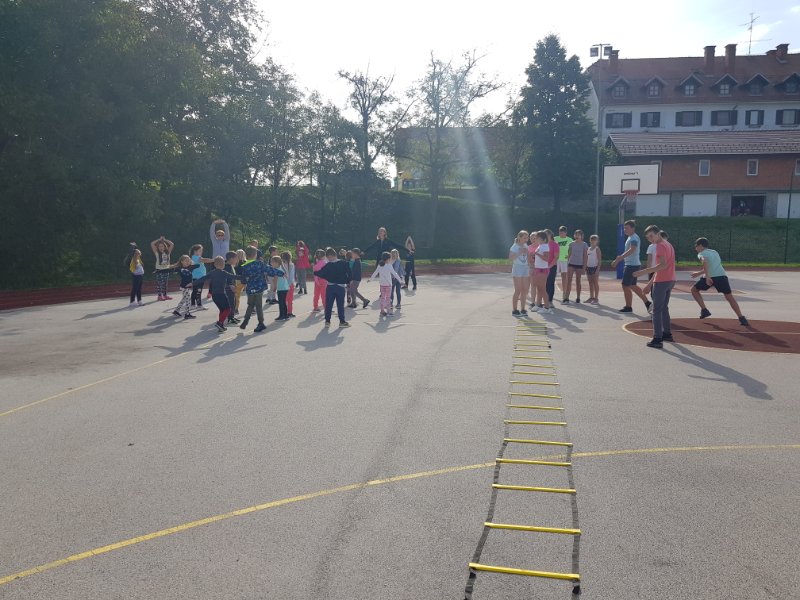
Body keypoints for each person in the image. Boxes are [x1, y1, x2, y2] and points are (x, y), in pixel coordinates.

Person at [690, 238, 749, 326]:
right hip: (721, 276)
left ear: (701, 246)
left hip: (710, 277)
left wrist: (707, 277)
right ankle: (741, 318)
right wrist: (699, 273)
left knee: (694, 290)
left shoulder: (701, 253)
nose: (695, 248)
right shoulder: (714, 252)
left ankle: (704, 310)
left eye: (696, 246)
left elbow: (705, 262)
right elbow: (711, 266)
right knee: (729, 297)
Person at [633, 225, 675, 348]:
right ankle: (667, 334)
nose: (650, 239)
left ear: (658, 234)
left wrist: (643, 272)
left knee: (656, 310)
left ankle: (657, 339)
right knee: (664, 308)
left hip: (662, 281)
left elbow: (662, 265)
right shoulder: (668, 244)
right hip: (670, 280)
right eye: (648, 237)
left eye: (651, 236)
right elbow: (663, 266)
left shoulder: (660, 246)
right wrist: (650, 283)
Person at [238, 246, 284, 333]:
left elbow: (243, 278)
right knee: (258, 306)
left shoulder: (244, 266)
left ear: (246, 255)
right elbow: (270, 270)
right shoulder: (259, 263)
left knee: (250, 305)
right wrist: (281, 273)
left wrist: (244, 283)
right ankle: (260, 323)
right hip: (259, 288)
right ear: (255, 255)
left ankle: (246, 320)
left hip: (250, 288)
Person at [610, 220, 652, 314]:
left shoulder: (634, 238)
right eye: (624, 228)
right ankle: (648, 303)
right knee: (632, 285)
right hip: (632, 264)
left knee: (625, 285)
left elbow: (632, 249)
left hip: (631, 265)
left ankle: (628, 307)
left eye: (627, 228)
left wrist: (620, 258)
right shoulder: (631, 237)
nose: (625, 230)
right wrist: (619, 259)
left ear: (633, 228)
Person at [197, 256, 239, 332]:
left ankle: (221, 325)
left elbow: (204, 279)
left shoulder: (212, 273)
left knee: (222, 310)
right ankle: (220, 323)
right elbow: (234, 276)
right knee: (227, 309)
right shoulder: (223, 272)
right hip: (221, 294)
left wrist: (193, 283)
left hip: (215, 295)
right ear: (223, 264)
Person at [314, 247, 352, 328]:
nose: (327, 259)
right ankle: (342, 322)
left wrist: (315, 272)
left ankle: (327, 321)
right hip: (340, 287)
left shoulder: (328, 265)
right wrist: (348, 281)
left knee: (328, 305)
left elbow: (321, 273)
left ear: (330, 256)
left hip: (330, 287)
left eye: (327, 258)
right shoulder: (344, 263)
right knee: (340, 305)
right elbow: (349, 273)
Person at [370, 251, 403, 317]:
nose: (391, 259)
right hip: (388, 285)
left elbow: (375, 272)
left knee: (383, 298)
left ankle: (382, 311)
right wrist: (400, 281)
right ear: (388, 259)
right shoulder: (389, 266)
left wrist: (370, 279)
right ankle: (388, 312)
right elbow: (395, 273)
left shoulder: (380, 265)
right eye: (390, 258)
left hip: (382, 285)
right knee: (388, 298)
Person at [168, 255, 200, 320]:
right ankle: (187, 314)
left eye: (189, 260)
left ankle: (176, 311)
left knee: (184, 299)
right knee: (188, 300)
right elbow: (169, 270)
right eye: (186, 261)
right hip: (184, 287)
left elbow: (198, 265)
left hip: (188, 286)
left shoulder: (190, 267)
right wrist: (158, 271)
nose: (187, 262)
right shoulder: (179, 268)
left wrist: (191, 263)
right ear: (182, 261)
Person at [530, 231, 554, 315]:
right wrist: (534, 255)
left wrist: (537, 254)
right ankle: (538, 305)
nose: (536, 239)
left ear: (544, 239)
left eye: (538, 238)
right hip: (538, 268)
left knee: (542, 289)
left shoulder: (544, 246)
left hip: (542, 270)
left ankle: (547, 307)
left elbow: (546, 259)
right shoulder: (540, 245)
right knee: (539, 288)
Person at [509, 230, 530, 316]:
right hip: (517, 268)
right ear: (519, 237)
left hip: (525, 268)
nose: (526, 239)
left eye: (527, 238)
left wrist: (527, 253)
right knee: (518, 290)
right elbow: (510, 258)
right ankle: (514, 310)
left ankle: (523, 309)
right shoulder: (514, 246)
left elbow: (528, 256)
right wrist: (519, 252)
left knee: (525, 290)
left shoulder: (525, 245)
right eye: (524, 238)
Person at [565, 230, 588, 304]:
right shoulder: (571, 244)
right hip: (571, 264)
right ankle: (566, 298)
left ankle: (578, 298)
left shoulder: (584, 244)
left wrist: (584, 267)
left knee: (578, 281)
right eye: (576, 234)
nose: (577, 236)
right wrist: (567, 263)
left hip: (579, 265)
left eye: (578, 235)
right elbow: (569, 254)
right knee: (569, 280)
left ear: (582, 236)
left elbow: (585, 256)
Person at [189, 244, 214, 309]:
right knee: (198, 291)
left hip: (198, 277)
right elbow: (205, 260)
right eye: (200, 250)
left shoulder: (194, 257)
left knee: (195, 291)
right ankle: (199, 305)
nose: (201, 252)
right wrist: (214, 260)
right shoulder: (196, 257)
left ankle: (193, 305)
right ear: (195, 251)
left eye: (201, 250)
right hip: (199, 278)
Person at [150, 236, 175, 301]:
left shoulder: (168, 252)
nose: (161, 247)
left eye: (162, 246)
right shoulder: (157, 253)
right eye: (159, 246)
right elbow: (152, 243)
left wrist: (165, 240)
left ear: (165, 247)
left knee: (165, 283)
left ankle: (165, 295)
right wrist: (159, 239)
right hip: (159, 270)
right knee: (160, 283)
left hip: (166, 269)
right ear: (158, 247)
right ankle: (159, 296)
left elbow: (172, 244)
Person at [553, 226, 573, 303]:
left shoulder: (570, 240)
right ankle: (550, 292)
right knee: (552, 276)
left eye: (562, 232)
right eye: (560, 232)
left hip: (565, 261)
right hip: (556, 260)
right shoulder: (555, 239)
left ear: (566, 232)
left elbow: (572, 249)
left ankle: (564, 293)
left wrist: (569, 255)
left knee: (564, 276)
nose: (561, 233)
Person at [223, 251, 241, 325]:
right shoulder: (226, 267)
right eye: (236, 259)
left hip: (232, 287)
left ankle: (231, 317)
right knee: (231, 303)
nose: (237, 260)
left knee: (233, 303)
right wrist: (230, 285)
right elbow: (227, 277)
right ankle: (229, 318)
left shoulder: (230, 266)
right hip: (228, 288)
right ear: (231, 259)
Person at [273, 255, 291, 321]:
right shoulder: (282, 268)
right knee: (283, 302)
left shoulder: (277, 270)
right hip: (285, 288)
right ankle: (285, 315)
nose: (271, 264)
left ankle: (281, 315)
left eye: (272, 262)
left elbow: (275, 279)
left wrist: (275, 287)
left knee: (281, 302)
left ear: (277, 263)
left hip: (281, 288)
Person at [586, 235, 602, 304]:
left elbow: (599, 260)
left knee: (595, 283)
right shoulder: (588, 249)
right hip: (588, 268)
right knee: (590, 283)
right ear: (590, 240)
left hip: (595, 268)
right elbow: (586, 259)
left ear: (597, 241)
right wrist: (585, 267)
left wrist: (597, 270)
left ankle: (596, 299)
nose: (593, 241)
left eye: (595, 240)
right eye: (592, 239)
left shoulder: (597, 249)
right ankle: (591, 297)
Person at [280, 251, 296, 318]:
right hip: (290, 284)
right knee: (290, 300)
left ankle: (284, 312)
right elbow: (292, 276)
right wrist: (291, 284)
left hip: (282, 285)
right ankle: (290, 312)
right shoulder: (292, 265)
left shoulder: (281, 265)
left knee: (284, 299)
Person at [545, 229, 559, 305]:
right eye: (545, 234)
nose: (546, 236)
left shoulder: (555, 244)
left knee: (550, 283)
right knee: (544, 284)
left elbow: (556, 257)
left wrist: (549, 266)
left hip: (552, 267)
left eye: (547, 234)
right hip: (543, 267)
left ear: (550, 235)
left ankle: (550, 301)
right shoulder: (543, 244)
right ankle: (545, 300)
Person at [232, 249, 247, 315]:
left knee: (237, 296)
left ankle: (236, 309)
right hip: (245, 280)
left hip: (237, 280)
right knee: (250, 295)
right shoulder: (246, 262)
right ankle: (252, 308)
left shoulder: (235, 263)